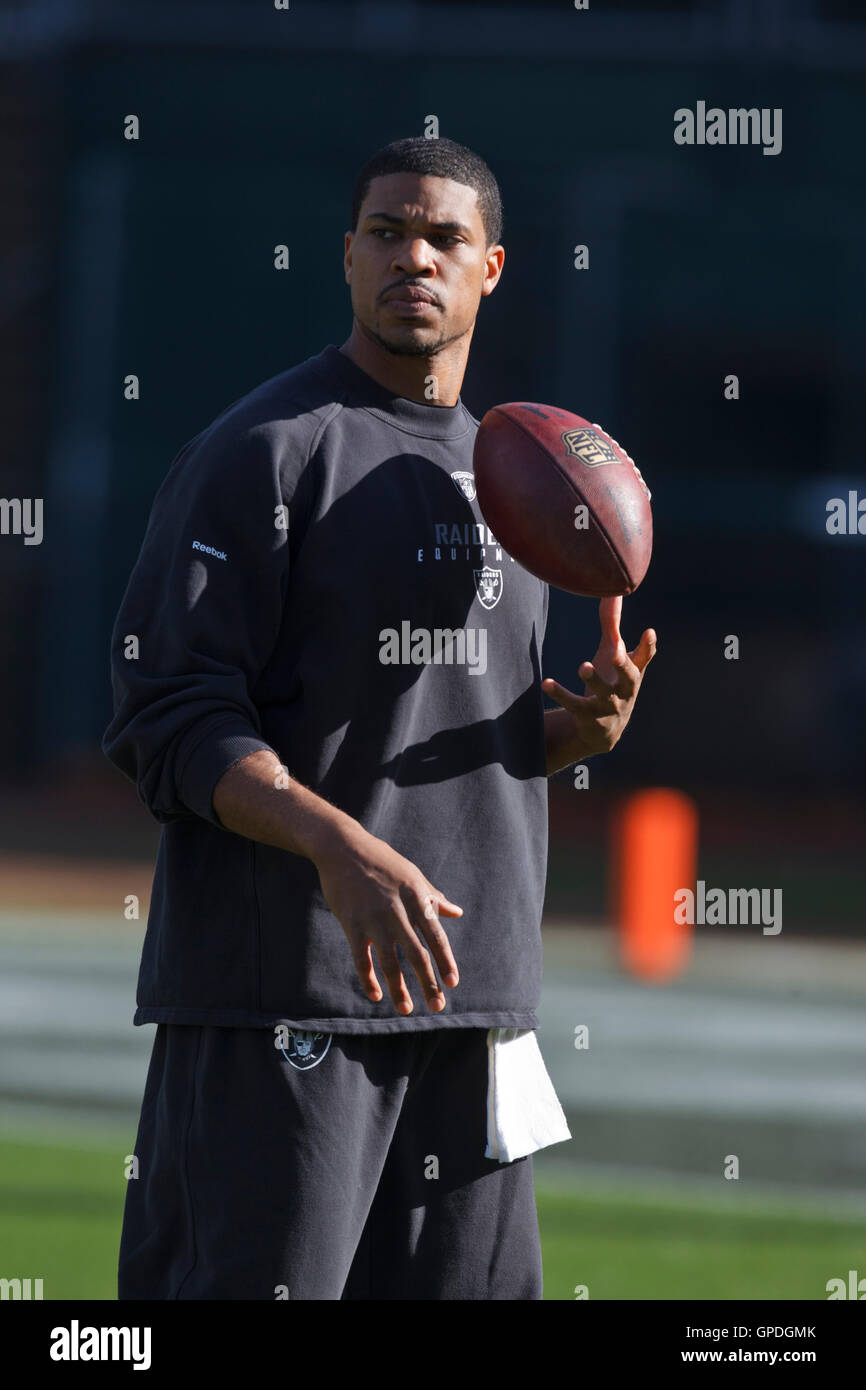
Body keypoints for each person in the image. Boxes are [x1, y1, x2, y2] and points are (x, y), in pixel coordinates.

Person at [102, 135, 656, 1301]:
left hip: (475, 1007)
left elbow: (427, 732)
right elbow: (166, 716)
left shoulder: (515, 473)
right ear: (346, 256)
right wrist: (332, 844)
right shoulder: (263, 450)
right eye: (387, 232)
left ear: (491, 267)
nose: (415, 255)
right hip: (290, 1003)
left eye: (444, 237)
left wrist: (566, 736)